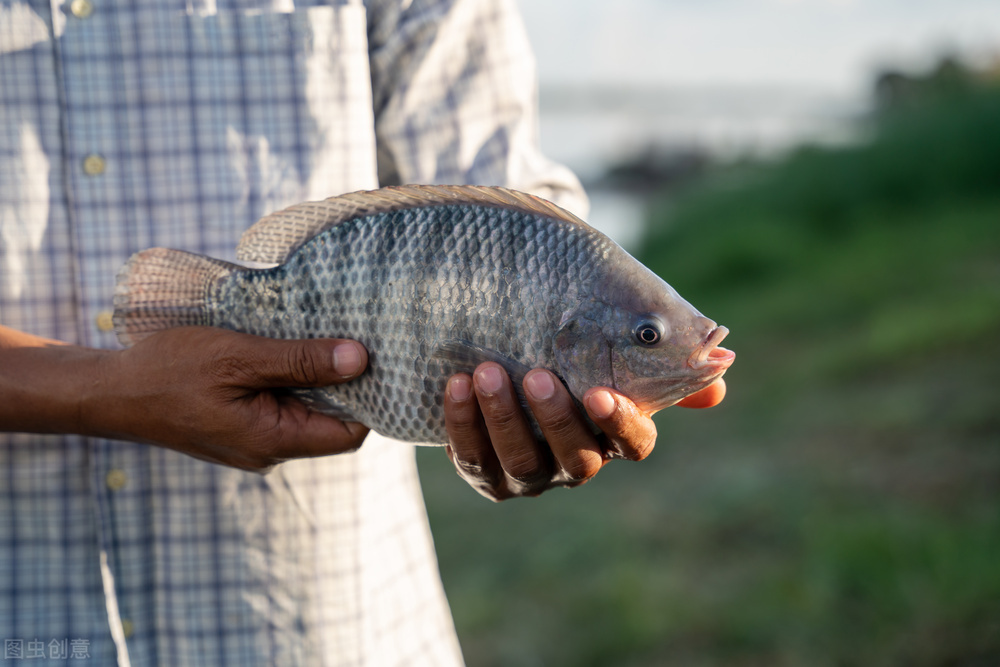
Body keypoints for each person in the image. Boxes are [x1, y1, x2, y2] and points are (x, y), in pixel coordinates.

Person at [0, 0, 724, 664]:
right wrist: (97, 390)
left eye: (644, 336)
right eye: (648, 337)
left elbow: (500, 187)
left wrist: (539, 413)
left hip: (324, 616)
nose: (660, 344)